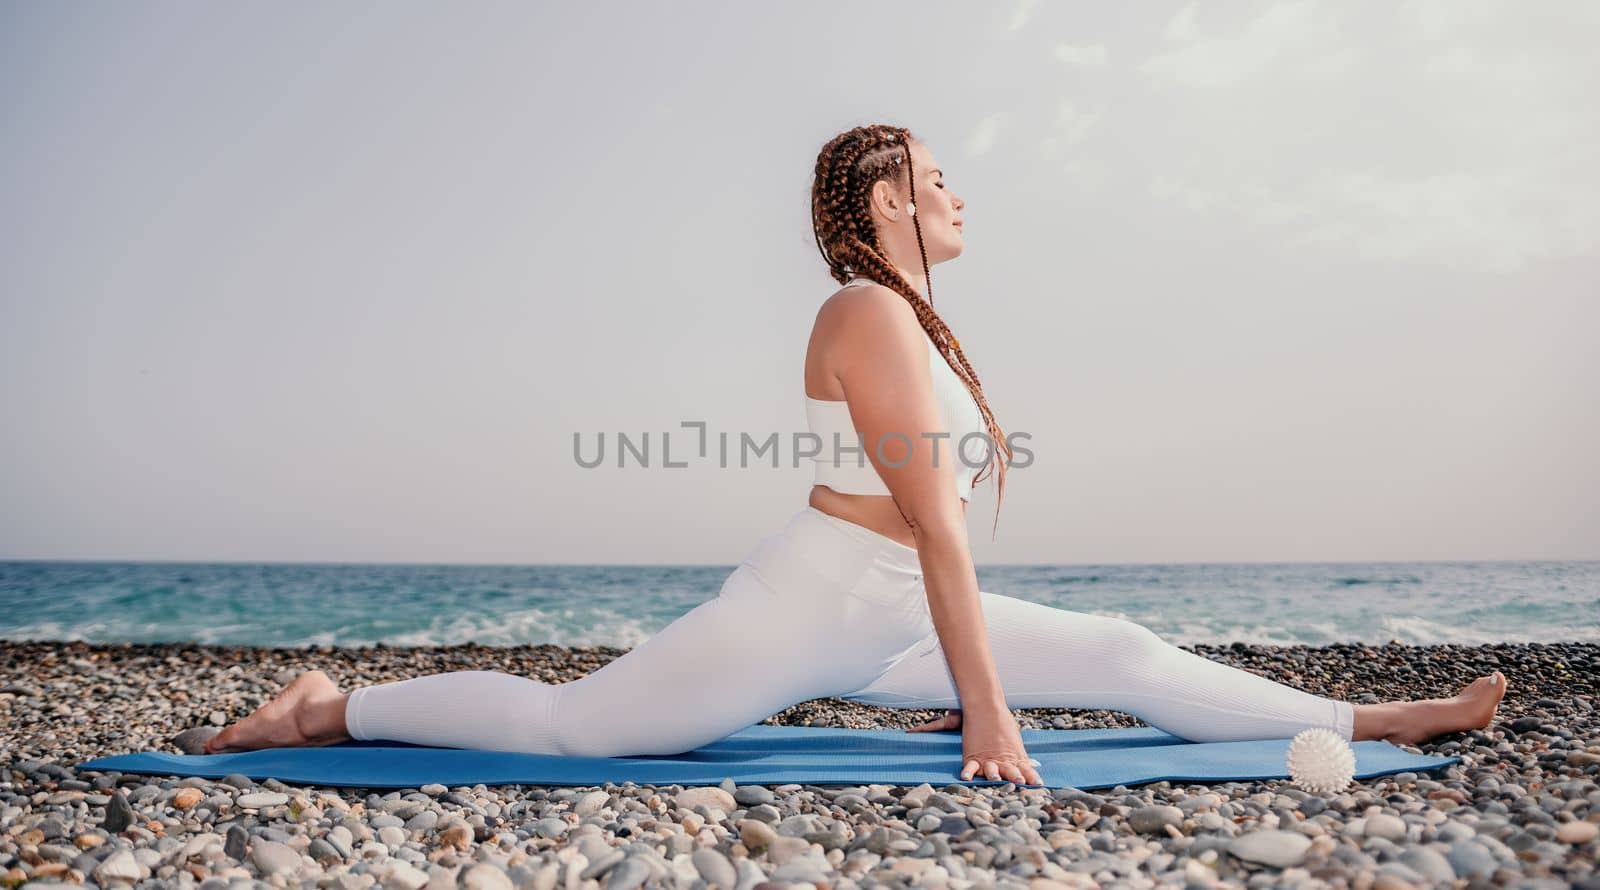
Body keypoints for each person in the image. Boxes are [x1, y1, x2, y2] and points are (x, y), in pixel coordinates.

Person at [204, 124, 1507, 785]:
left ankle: (1372, 715)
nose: (956, 192)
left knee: (1112, 645)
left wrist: (966, 673)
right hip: (813, 601)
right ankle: (328, 703)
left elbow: (936, 541)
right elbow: (935, 522)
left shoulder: (911, 319)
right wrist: (990, 707)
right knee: (574, 729)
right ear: (888, 201)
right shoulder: (869, 310)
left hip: (886, 611)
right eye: (938, 176)